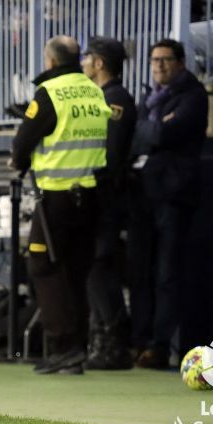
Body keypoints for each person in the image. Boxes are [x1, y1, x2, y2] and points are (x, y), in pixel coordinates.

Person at [9, 35, 111, 375]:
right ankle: (77, 349)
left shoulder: (50, 92)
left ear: (50, 61)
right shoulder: (95, 90)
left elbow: (23, 143)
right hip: (91, 194)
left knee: (42, 266)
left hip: (56, 196)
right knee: (75, 272)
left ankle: (63, 346)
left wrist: (18, 160)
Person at [128, 39, 208, 369]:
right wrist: (151, 129)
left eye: (165, 60)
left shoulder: (194, 94)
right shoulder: (150, 97)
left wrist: (149, 129)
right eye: (154, 60)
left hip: (175, 193)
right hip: (143, 192)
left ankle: (161, 346)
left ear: (180, 63)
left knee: (166, 273)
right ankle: (139, 340)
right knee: (139, 272)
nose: (158, 65)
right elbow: (141, 134)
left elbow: (160, 135)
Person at [81, 38, 136, 370]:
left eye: (88, 57)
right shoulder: (102, 97)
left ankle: (114, 343)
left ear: (99, 63)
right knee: (94, 268)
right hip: (99, 194)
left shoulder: (115, 100)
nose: (85, 63)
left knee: (101, 267)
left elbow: (111, 154)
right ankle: (102, 338)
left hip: (106, 195)